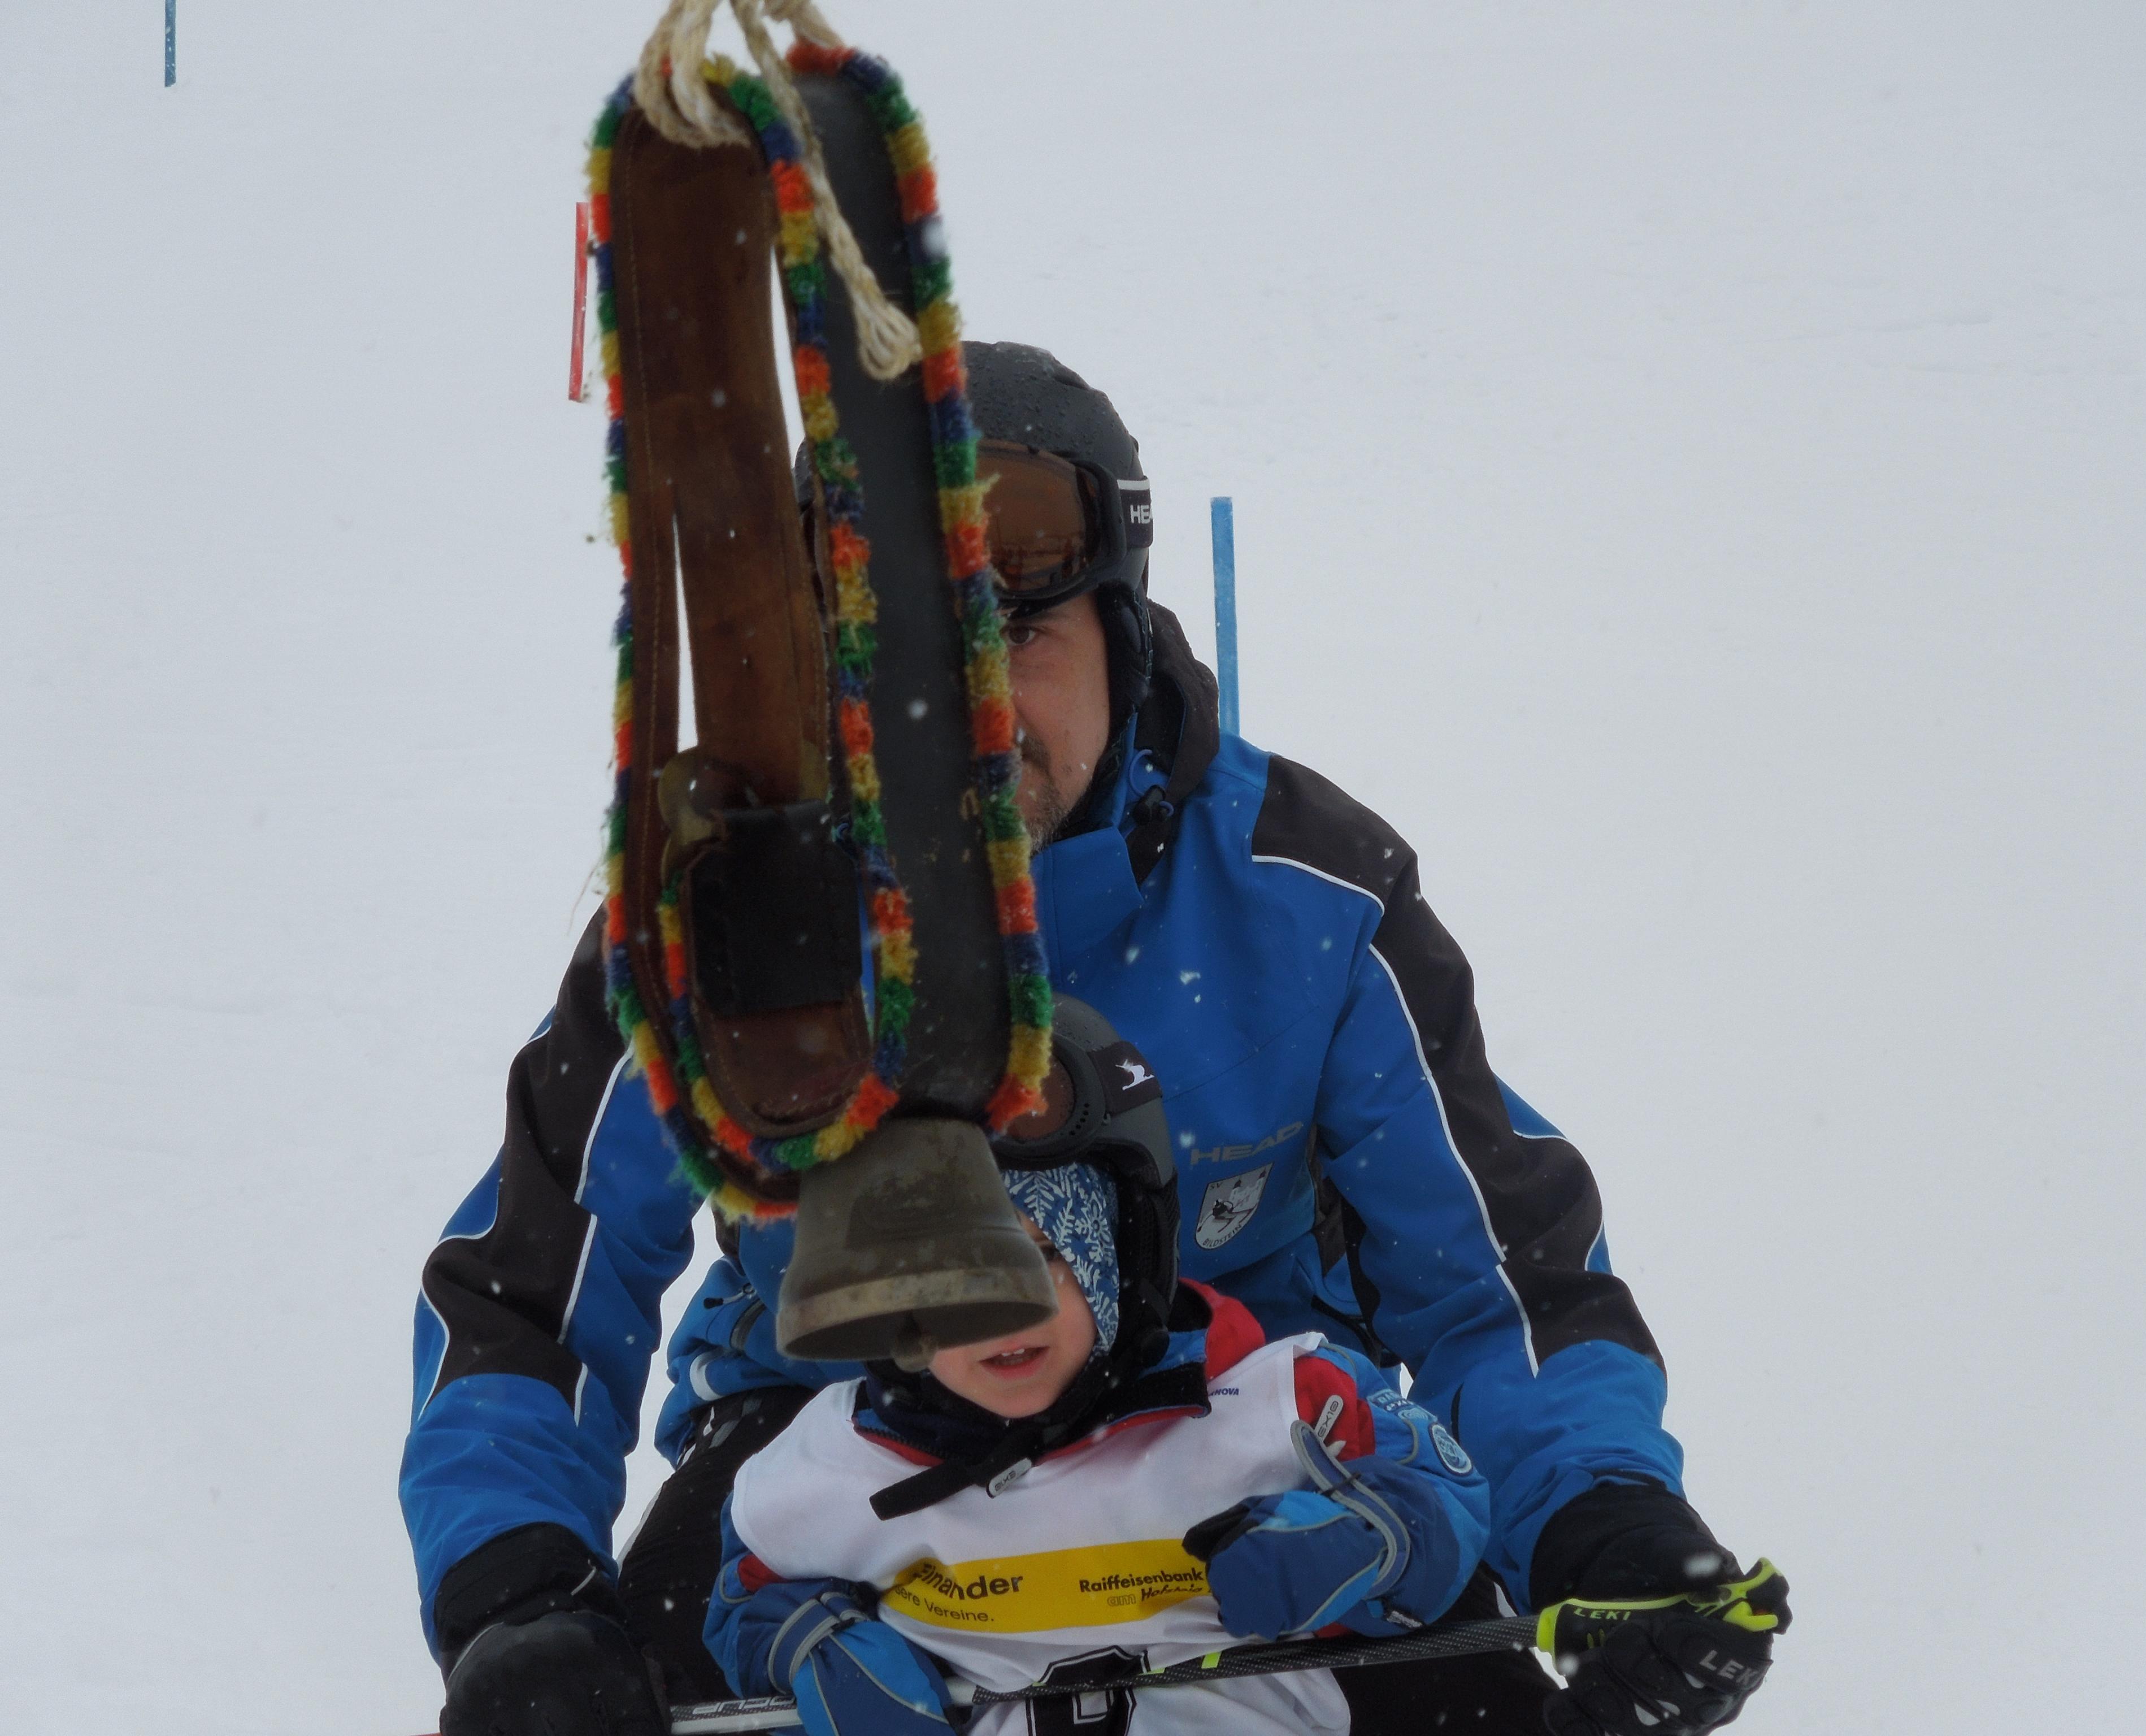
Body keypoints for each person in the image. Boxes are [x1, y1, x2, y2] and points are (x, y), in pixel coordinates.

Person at [406, 341, 1786, 1736]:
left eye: (1020, 642)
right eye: (899, 668)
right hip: (838, 1437)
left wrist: (1599, 1521)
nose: (961, 722)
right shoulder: (723, 922)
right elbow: (535, 1295)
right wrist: (517, 1592)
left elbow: (1497, 1278)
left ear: (1120, 637)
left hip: (1251, 1432)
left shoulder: (1307, 897)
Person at [703, 1006, 1489, 1735]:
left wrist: (1371, 1540)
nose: (1004, 1314)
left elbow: (1447, 1492)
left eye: (1047, 1255)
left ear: (1121, 1251)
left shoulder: (1280, 1403)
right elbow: (745, 1595)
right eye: (951, 1279)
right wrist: (806, 1643)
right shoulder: (832, 1468)